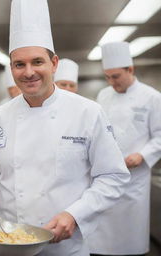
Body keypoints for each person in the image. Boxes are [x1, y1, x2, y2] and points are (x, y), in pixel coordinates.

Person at [0, 1, 130, 255]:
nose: (29, 72)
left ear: (54, 63)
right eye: (19, 64)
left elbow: (113, 176)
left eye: (37, 62)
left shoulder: (87, 112)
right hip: (6, 242)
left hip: (64, 247)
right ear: (11, 68)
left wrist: (75, 214)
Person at [87, 42, 161, 256]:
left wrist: (142, 155)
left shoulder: (152, 97)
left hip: (134, 179)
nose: (112, 82)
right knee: (100, 240)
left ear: (130, 69)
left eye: (116, 76)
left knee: (129, 239)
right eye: (107, 77)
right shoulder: (103, 95)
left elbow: (159, 136)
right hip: (106, 173)